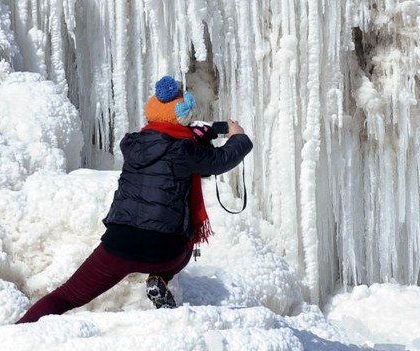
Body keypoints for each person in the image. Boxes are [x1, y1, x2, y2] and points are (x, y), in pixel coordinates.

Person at [17, 76, 253, 323]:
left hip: (118, 245)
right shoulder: (185, 150)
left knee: (68, 295)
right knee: (187, 243)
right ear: (183, 115)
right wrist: (238, 137)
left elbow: (172, 150)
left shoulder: (134, 145)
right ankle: (159, 278)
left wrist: (201, 135)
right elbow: (217, 161)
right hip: (164, 251)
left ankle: (16, 332)